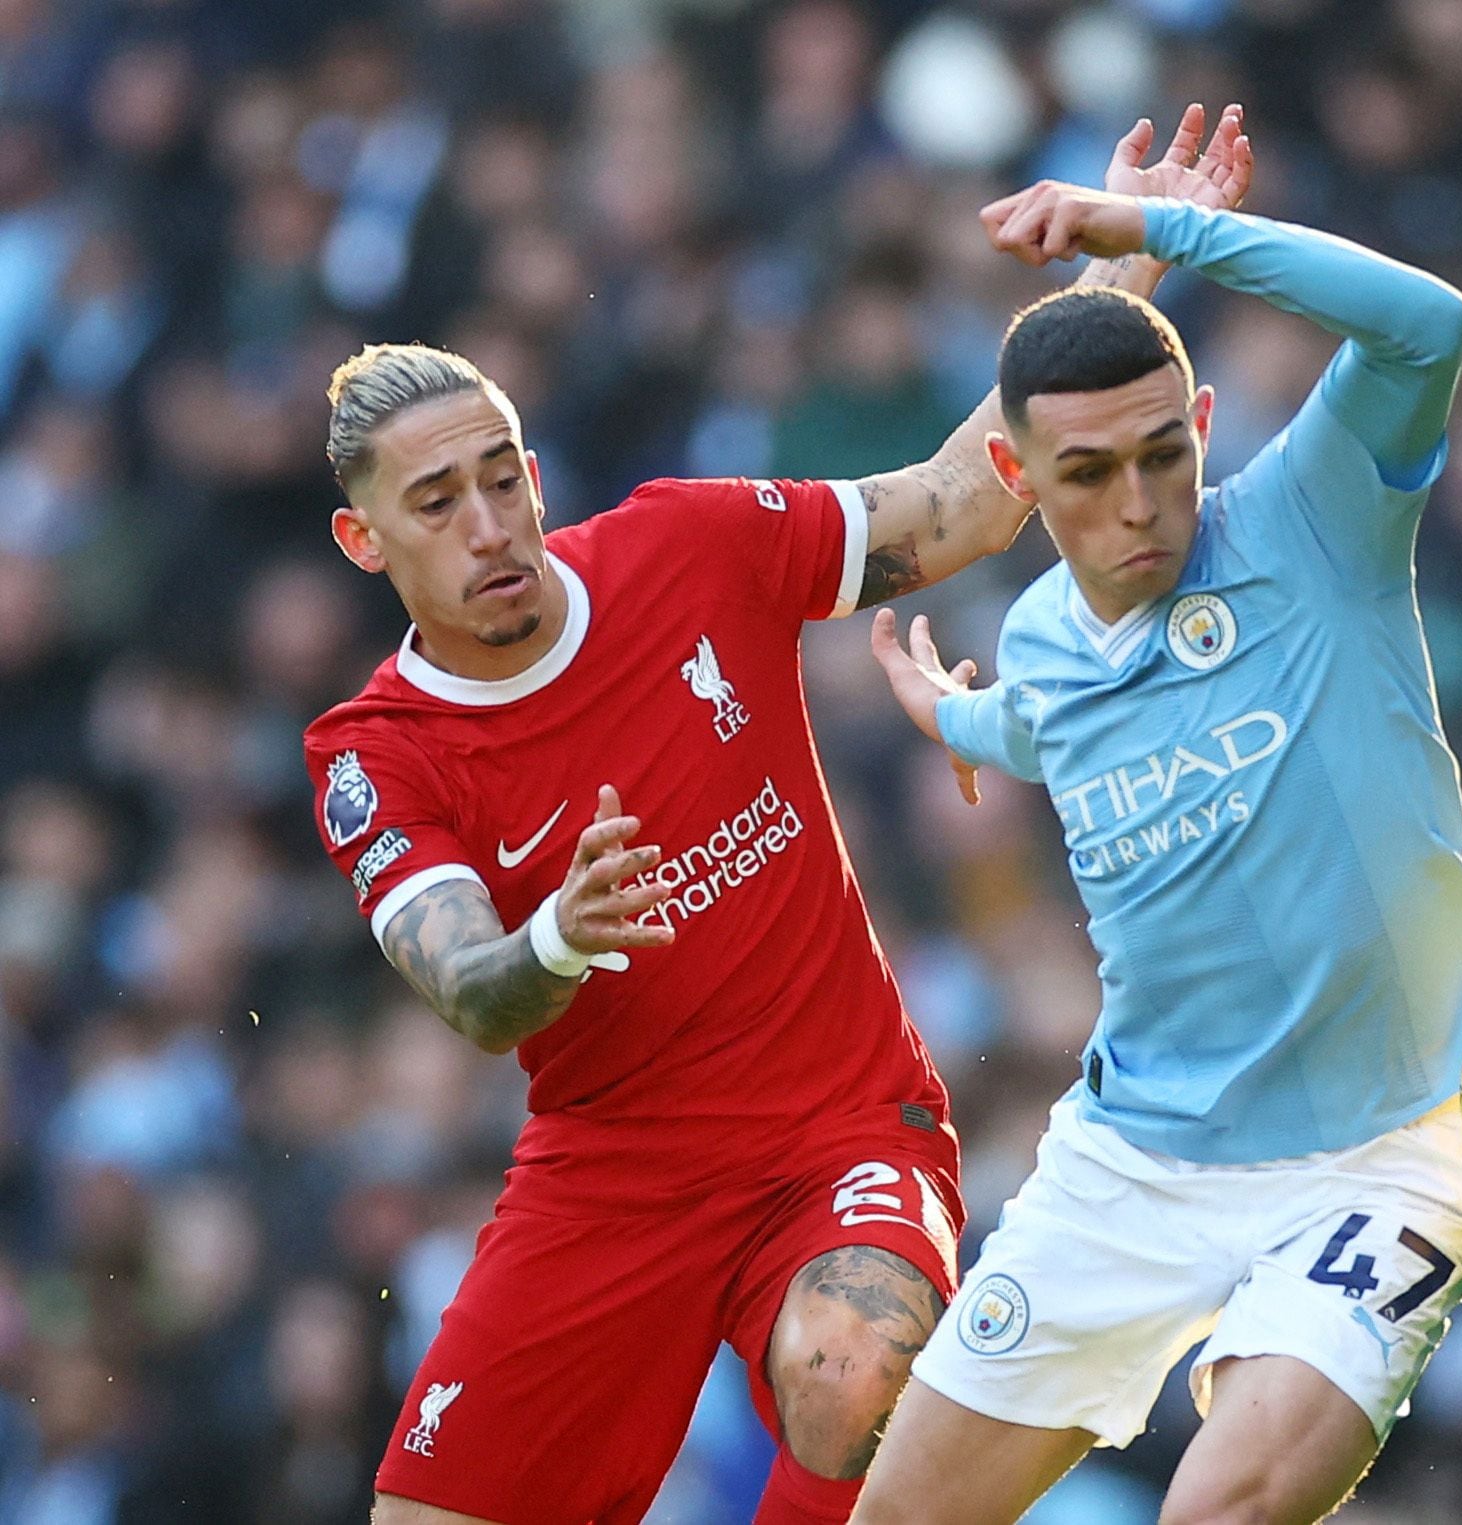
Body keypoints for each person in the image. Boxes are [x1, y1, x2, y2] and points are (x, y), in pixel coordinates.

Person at [301, 111, 1251, 1525]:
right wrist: (554, 934)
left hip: (838, 1128)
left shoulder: (687, 546)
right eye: (437, 501)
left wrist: (1120, 271)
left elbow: (954, 505)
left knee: (854, 1361)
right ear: (363, 540)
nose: (489, 523)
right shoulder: (376, 753)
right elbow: (476, 992)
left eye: (502, 474)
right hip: (607, 1170)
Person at [856, 178, 1462, 1525]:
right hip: (1132, 1165)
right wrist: (953, 715)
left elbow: (1427, 323)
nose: (1141, 503)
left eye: (1163, 453)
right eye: (1090, 474)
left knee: (1215, 1508)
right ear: (1020, 479)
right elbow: (1042, 723)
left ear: (1204, 425)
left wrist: (1160, 235)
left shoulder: (1311, 521)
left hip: (1387, 1148)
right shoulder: (1047, 642)